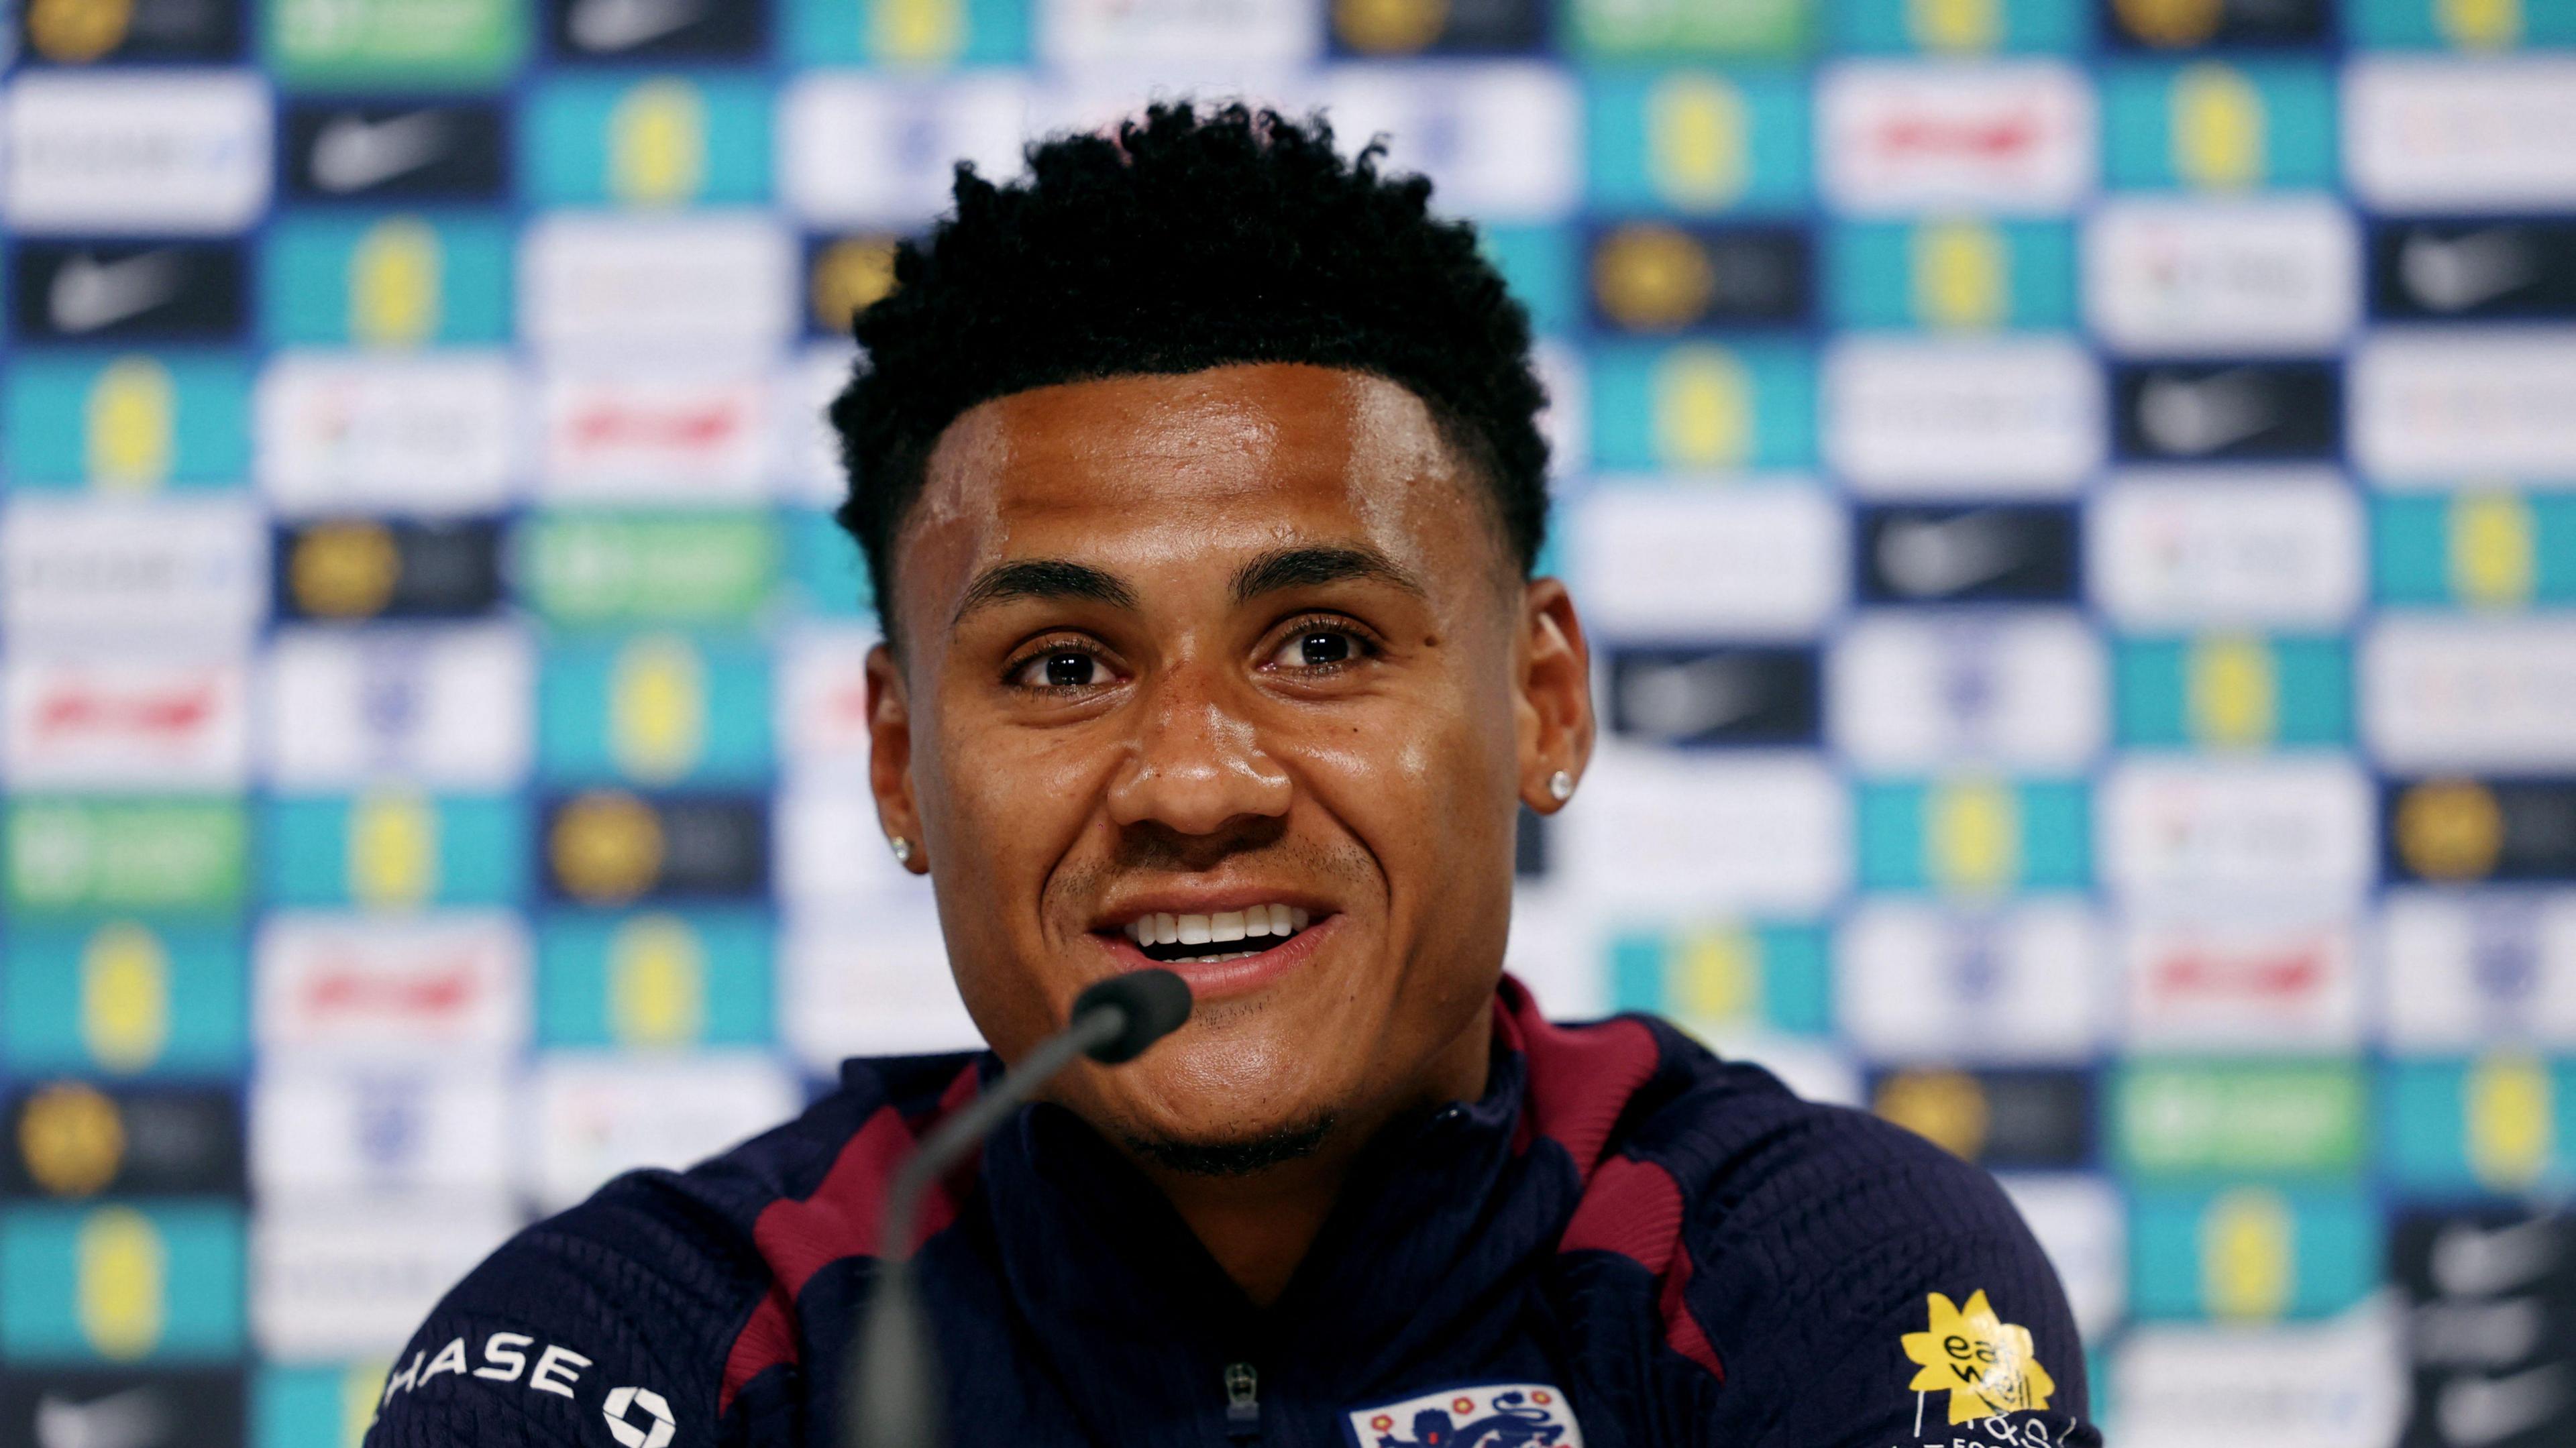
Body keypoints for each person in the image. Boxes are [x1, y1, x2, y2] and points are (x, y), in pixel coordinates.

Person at [366, 103, 2098, 1448]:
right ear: (900, 764)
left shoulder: (1811, 1267)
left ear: (1544, 699)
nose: (1193, 784)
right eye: (1063, 667)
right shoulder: (675, 1326)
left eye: (1324, 645)